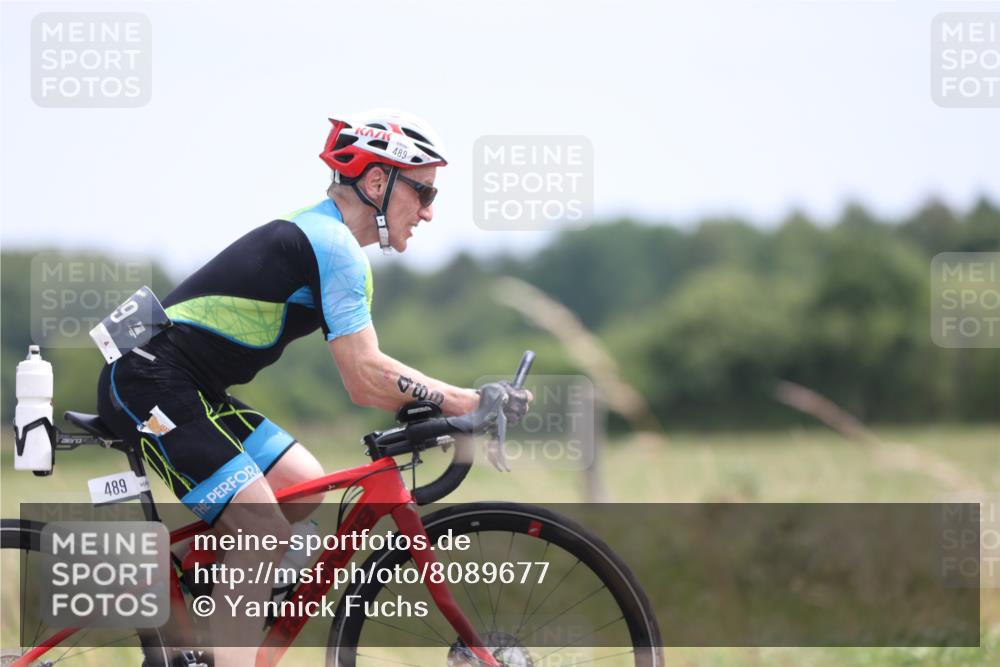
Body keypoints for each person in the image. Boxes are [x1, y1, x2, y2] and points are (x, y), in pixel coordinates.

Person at [95, 109, 531, 667]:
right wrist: (468, 402)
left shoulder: (324, 234)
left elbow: (370, 376)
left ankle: (183, 602)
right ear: (377, 182)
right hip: (147, 377)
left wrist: (453, 404)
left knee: (302, 486)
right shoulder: (334, 245)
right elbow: (365, 376)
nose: (427, 211)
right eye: (423, 192)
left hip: (184, 382)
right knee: (262, 527)